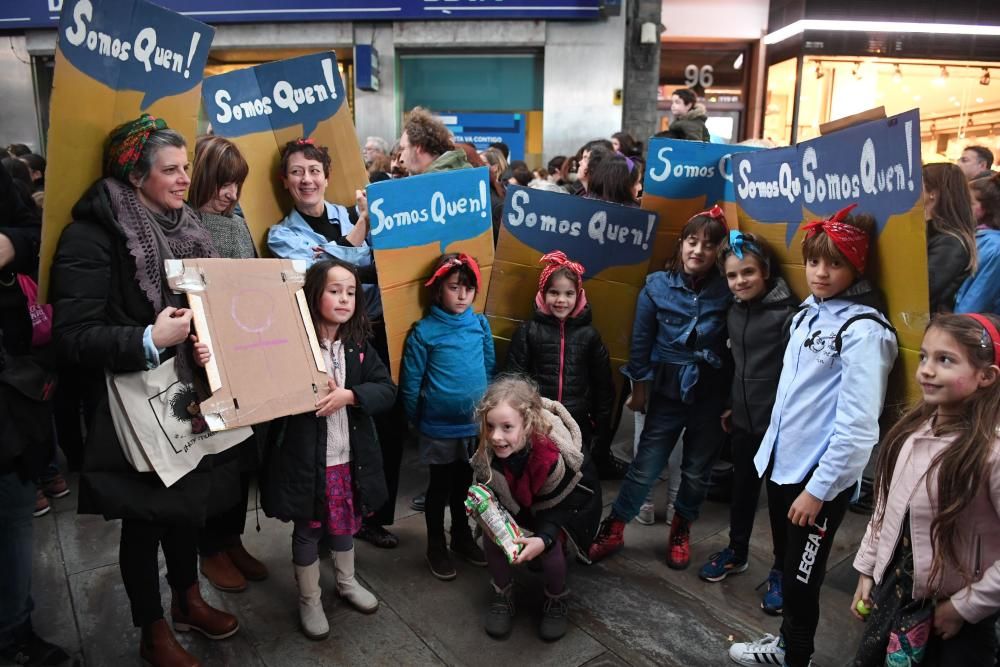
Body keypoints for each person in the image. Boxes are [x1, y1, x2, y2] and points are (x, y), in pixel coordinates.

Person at [50, 114, 241, 666]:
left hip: (185, 393)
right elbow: (73, 336)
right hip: (130, 403)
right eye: (172, 170)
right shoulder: (92, 234)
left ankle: (187, 600)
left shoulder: (187, 226)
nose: (186, 179)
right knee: (146, 520)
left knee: (187, 507)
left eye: (186, 167)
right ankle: (152, 629)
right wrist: (148, 338)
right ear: (135, 176)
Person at [728, 205, 898, 667]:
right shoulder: (809, 312)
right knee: (787, 566)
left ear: (856, 267)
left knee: (803, 581)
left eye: (835, 263)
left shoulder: (865, 332)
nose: (820, 273)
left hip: (816, 481)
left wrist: (818, 491)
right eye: (814, 262)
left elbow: (860, 428)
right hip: (783, 466)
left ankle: (795, 654)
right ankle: (786, 646)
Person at [267, 138, 401, 549]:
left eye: (314, 171)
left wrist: (362, 251)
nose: (307, 179)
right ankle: (326, 519)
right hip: (321, 340)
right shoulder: (280, 235)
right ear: (285, 181)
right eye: (297, 172)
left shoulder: (351, 214)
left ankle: (370, 515)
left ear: (326, 176)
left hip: (374, 330)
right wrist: (363, 239)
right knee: (329, 436)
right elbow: (329, 273)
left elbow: (388, 263)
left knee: (381, 425)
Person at [588, 205, 732, 569]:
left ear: (719, 251)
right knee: (646, 465)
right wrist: (639, 389)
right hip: (666, 389)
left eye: (708, 245)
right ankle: (615, 526)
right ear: (681, 243)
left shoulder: (728, 289)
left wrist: (732, 400)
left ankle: (681, 528)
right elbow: (640, 343)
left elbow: (736, 347)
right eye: (692, 241)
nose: (698, 250)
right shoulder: (656, 286)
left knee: (698, 470)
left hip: (710, 392)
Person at [258, 258, 395, 640]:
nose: (344, 299)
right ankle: (309, 598)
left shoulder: (359, 347)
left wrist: (350, 395)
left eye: (351, 292)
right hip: (307, 460)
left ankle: (347, 581)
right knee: (308, 528)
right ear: (314, 294)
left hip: (349, 461)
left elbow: (386, 389)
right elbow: (270, 391)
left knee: (344, 524)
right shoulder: (292, 345)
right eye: (335, 291)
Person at [852, 313, 1000, 666]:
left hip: (952, 617)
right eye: (924, 356)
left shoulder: (991, 454)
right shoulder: (912, 432)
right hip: (895, 597)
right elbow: (886, 511)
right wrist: (868, 569)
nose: (927, 370)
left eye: (945, 360)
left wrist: (965, 607)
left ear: (986, 376)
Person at [697, 232, 798, 616]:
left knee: (778, 503)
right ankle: (736, 552)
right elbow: (735, 367)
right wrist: (729, 406)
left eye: (749, 272)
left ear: (766, 271)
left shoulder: (789, 315)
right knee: (741, 492)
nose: (741, 281)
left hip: (779, 427)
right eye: (733, 275)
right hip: (742, 420)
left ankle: (780, 570)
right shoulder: (734, 309)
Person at [186, 135, 269, 594]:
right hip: (202, 357)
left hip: (243, 349)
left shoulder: (236, 220)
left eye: (236, 184)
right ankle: (210, 548)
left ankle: (231, 539)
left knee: (240, 457)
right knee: (212, 461)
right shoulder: (187, 222)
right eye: (223, 182)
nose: (231, 193)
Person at [0, 163, 73, 666]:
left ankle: (13, 631)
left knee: (12, 514)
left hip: (8, 388)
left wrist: (8, 243)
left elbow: (34, 231)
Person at [473, 375, 602, 642]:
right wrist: (483, 507)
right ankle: (502, 593)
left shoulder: (553, 456)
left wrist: (543, 538)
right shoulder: (489, 450)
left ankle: (556, 598)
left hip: (563, 508)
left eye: (507, 427)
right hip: (519, 504)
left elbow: (568, 501)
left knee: (551, 550)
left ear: (529, 424)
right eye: (490, 426)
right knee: (491, 538)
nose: (496, 437)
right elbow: (486, 484)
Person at [400, 253, 495, 581]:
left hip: (472, 427)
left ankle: (461, 536)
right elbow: (411, 382)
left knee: (464, 487)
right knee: (439, 488)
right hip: (438, 428)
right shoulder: (425, 332)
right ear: (437, 290)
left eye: (468, 288)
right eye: (454, 287)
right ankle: (435, 546)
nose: (462, 295)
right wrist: (416, 419)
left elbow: (488, 365)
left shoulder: (479, 325)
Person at [505, 251, 616, 477]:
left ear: (579, 295)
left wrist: (600, 430)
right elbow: (513, 380)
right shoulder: (528, 332)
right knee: (539, 475)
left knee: (575, 477)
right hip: (539, 421)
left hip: (578, 422)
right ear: (543, 294)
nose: (561, 300)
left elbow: (603, 386)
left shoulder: (589, 336)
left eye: (569, 293)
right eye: (554, 292)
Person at [924, 163, 977, 313]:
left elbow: (923, 290)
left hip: (926, 325)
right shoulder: (930, 232)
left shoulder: (951, 242)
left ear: (933, 192)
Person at [956, 175, 1000, 313]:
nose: (962, 207)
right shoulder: (975, 235)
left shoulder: (994, 246)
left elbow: (977, 297)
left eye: (970, 203)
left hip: (965, 326)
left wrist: (953, 328)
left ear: (986, 208)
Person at [399, 107, 470, 176]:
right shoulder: (463, 172)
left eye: (403, 149)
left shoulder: (432, 183)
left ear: (419, 147)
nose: (400, 159)